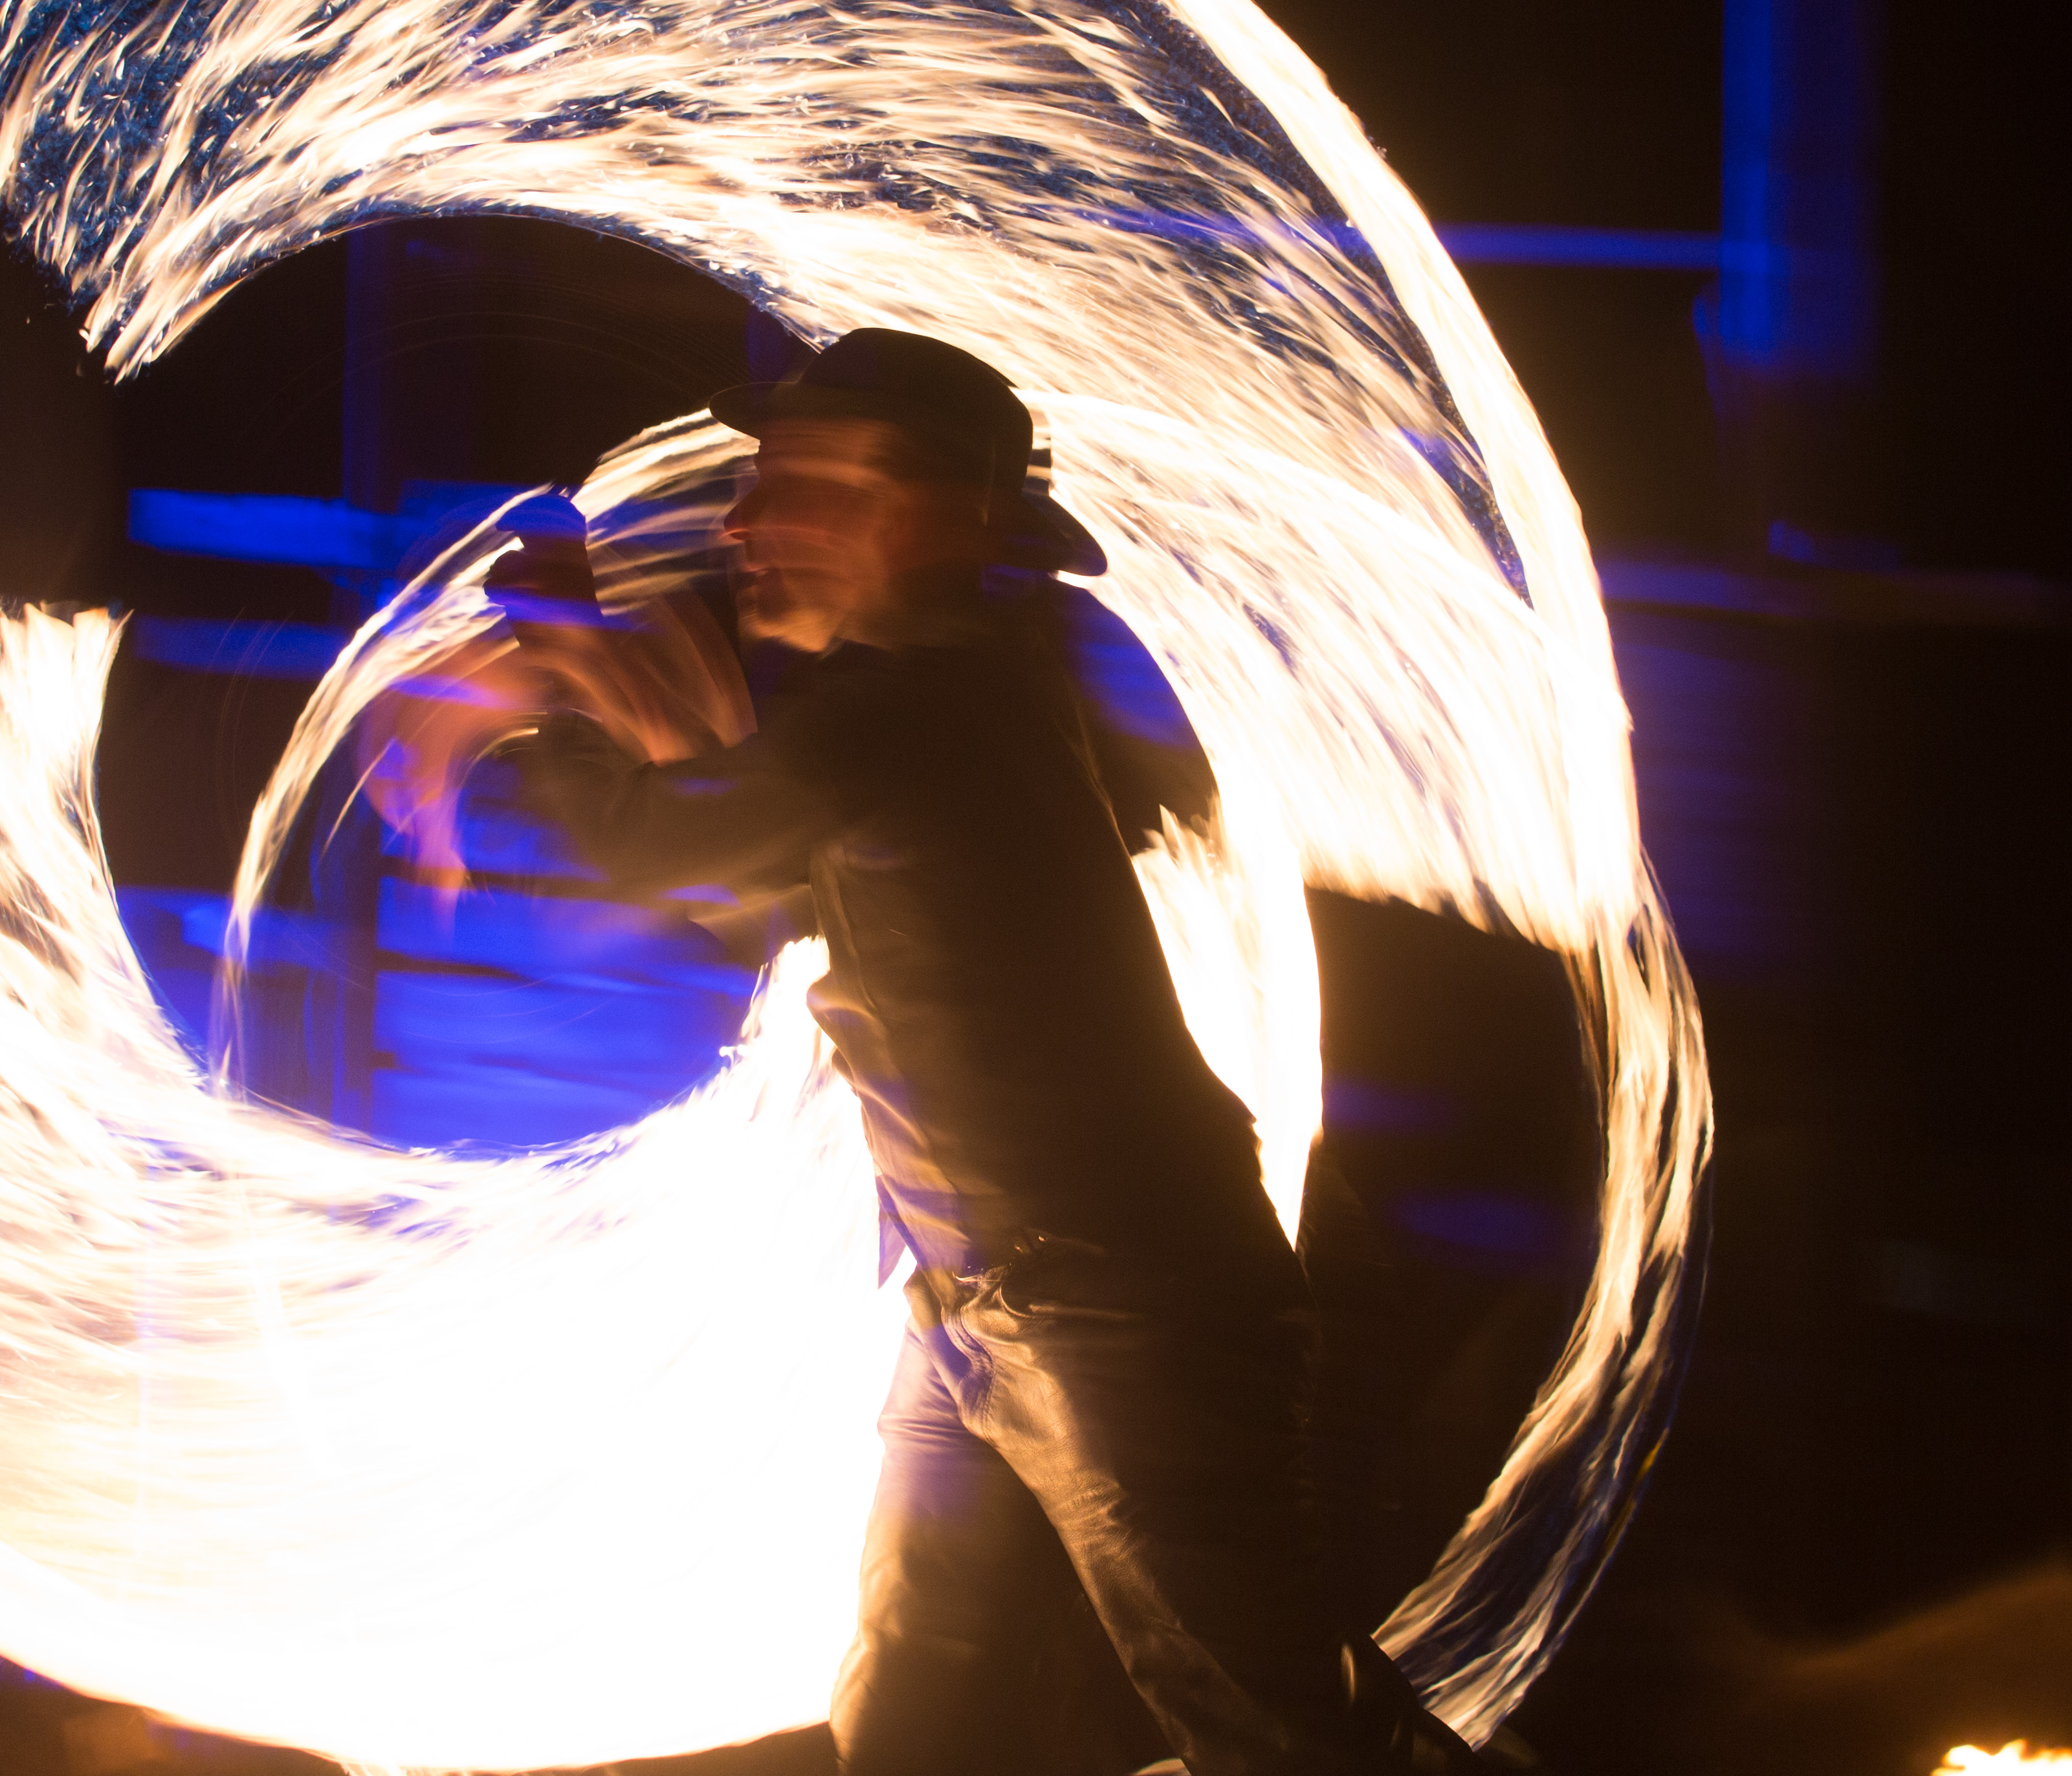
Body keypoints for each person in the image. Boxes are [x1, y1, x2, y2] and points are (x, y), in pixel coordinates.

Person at [480, 328, 1476, 1776]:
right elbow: (738, 877)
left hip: (1117, 1315)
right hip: (984, 1309)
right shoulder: (918, 708)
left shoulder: (923, 711)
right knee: (916, 1700)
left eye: (797, 486)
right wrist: (601, 681)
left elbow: (660, 852)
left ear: (928, 516)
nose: (744, 523)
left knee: (1266, 1724)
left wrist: (559, 701)